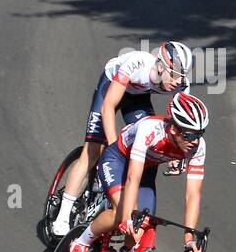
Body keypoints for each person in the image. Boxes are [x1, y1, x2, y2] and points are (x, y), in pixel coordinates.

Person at [52, 42, 193, 237]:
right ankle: (62, 214)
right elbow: (108, 106)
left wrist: (178, 155)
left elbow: (180, 124)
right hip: (110, 87)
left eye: (182, 77)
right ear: (160, 66)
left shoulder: (181, 84)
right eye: (174, 74)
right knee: (93, 151)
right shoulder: (137, 63)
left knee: (144, 143)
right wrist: (112, 149)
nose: (178, 82)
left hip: (137, 98)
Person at [67, 93, 209, 252]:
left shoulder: (198, 147)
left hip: (147, 170)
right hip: (118, 160)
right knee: (122, 214)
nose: (195, 141)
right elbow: (132, 177)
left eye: (200, 134)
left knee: (141, 230)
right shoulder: (150, 130)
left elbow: (193, 195)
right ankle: (81, 243)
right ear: (174, 129)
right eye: (190, 134)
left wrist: (188, 238)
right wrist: (126, 216)